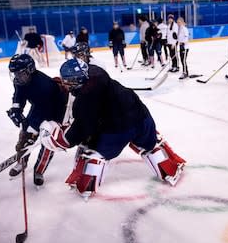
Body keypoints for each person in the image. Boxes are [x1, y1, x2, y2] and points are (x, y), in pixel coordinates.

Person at [39, 45, 186, 200]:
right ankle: (171, 170)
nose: (65, 85)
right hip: (140, 114)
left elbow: (82, 128)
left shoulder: (84, 100)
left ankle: (86, 187)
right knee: (150, 144)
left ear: (76, 82)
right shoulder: (96, 71)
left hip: (118, 128)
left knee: (92, 153)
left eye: (67, 82)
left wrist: (63, 140)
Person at [6, 54, 69, 186]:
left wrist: (31, 132)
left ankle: (39, 171)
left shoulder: (43, 85)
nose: (16, 76)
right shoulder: (21, 80)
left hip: (56, 112)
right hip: (39, 106)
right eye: (15, 73)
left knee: (48, 144)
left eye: (19, 73)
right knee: (24, 135)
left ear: (30, 70)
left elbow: (44, 112)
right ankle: (21, 163)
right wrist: (16, 109)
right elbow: (19, 95)